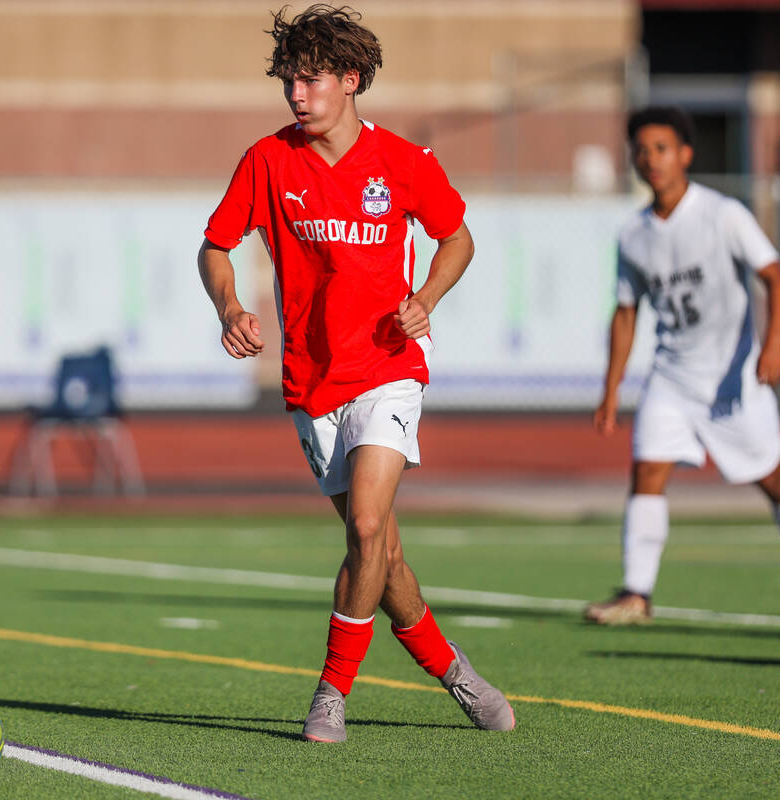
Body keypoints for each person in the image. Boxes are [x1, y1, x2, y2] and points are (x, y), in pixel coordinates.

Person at [197, 4, 515, 742]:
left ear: (351, 80)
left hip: (389, 368)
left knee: (368, 525)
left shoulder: (405, 162)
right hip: (313, 385)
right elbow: (215, 245)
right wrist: (229, 307)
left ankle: (331, 695)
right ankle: (457, 674)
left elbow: (457, 238)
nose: (295, 95)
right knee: (383, 552)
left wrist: (425, 299)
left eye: (308, 80)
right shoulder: (268, 160)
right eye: (288, 82)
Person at [585, 106, 780, 626]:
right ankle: (637, 594)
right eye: (642, 149)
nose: (650, 158)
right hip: (672, 377)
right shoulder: (633, 234)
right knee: (647, 472)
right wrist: (611, 388)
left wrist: (772, 345)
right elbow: (626, 312)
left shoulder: (723, 214)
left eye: (661, 148)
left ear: (685, 155)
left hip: (733, 378)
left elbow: (777, 279)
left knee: (774, 478)